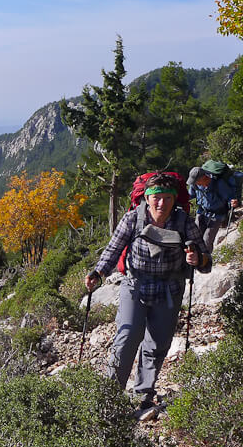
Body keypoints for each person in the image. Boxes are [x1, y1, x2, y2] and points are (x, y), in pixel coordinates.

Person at [84, 172, 212, 416]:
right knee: (127, 336)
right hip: (136, 285)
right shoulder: (133, 219)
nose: (161, 203)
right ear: (147, 198)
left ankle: (144, 394)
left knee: (157, 343)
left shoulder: (185, 222)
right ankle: (109, 396)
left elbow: (206, 262)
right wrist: (98, 273)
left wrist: (197, 258)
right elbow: (113, 250)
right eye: (156, 198)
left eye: (166, 198)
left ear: (175, 200)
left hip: (169, 289)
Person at [187, 161, 241, 253]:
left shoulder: (219, 184)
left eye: (197, 182)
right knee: (195, 237)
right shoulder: (195, 185)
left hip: (217, 215)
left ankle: (205, 262)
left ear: (204, 177)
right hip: (201, 212)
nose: (195, 184)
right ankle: (196, 261)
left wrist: (233, 202)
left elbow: (230, 197)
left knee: (207, 240)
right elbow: (189, 195)